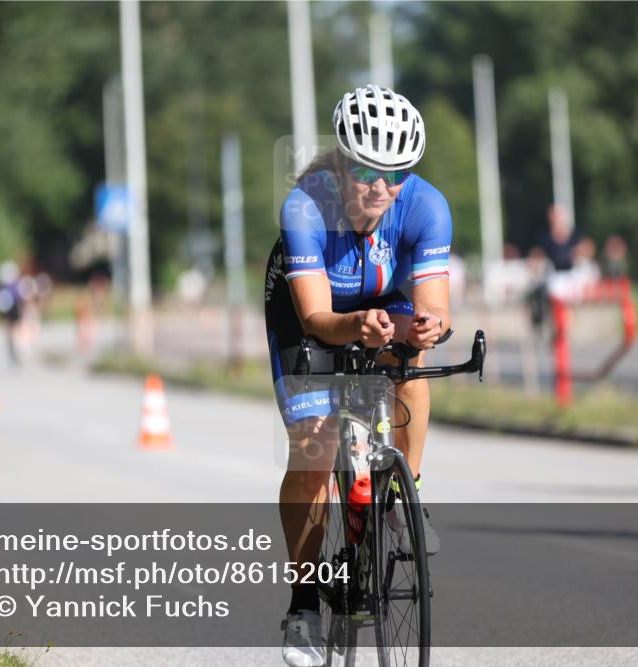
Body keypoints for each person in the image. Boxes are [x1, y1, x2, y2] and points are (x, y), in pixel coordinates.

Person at [265, 84, 451, 667]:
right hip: (311, 312)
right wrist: (357, 326)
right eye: (368, 170)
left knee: (410, 363)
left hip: (382, 299)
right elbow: (319, 319)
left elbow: (435, 306)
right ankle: (303, 608)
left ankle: (405, 494)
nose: (380, 188)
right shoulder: (305, 206)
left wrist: (426, 328)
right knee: (314, 452)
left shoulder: (425, 206)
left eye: (396, 175)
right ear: (343, 163)